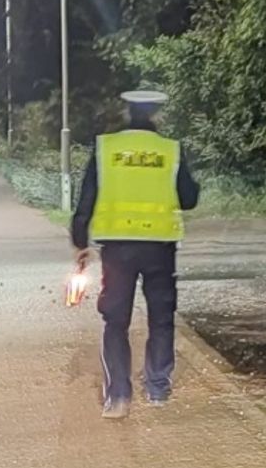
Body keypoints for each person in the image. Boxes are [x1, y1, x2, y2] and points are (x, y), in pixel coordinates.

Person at [71, 90, 199, 420]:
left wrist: (80, 240)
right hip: (159, 247)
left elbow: (87, 197)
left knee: (115, 320)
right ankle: (157, 389)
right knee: (161, 317)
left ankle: (118, 396)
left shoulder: (106, 148)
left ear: (127, 112)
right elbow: (189, 198)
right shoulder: (170, 150)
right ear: (156, 113)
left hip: (117, 247)